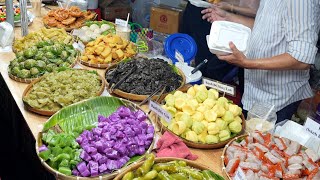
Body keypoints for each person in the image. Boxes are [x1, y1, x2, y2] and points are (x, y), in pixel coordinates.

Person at [202, 0, 320, 123]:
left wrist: (246, 63)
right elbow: (264, 27)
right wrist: (228, 17)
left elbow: (301, 58)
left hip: (277, 99)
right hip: (255, 91)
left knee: (262, 140)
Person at [181, 0, 259, 84]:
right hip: (209, 12)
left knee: (213, 67)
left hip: (236, 25)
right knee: (190, 57)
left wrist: (230, 8)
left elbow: (258, 12)